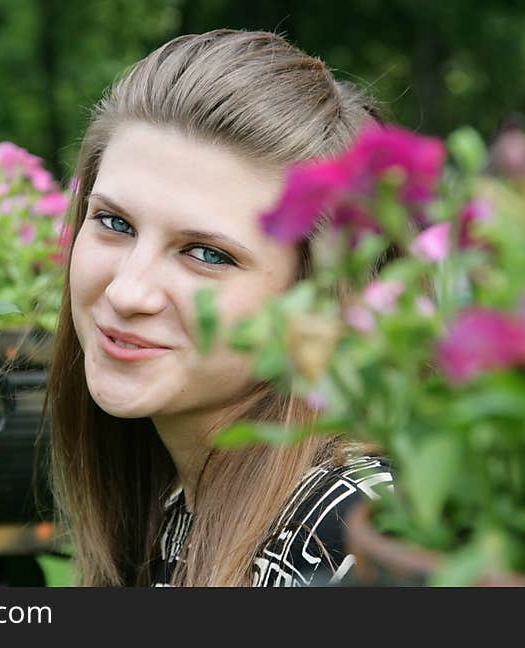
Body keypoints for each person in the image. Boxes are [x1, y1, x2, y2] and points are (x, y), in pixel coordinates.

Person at [46, 29, 393, 587]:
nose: (126, 292)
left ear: (316, 295)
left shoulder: (351, 543)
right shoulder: (183, 499)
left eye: (207, 254)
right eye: (114, 222)